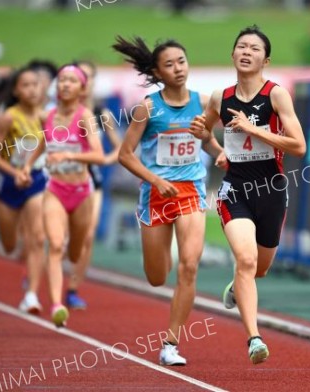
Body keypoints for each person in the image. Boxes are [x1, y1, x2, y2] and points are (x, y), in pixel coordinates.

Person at [190, 25, 306, 365]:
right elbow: (204, 132)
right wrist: (216, 149)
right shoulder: (220, 97)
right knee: (246, 260)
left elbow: (298, 145)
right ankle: (254, 338)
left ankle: (237, 287)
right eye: (241, 46)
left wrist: (254, 128)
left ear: (265, 60)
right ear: (232, 55)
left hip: (271, 189)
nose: (246, 52)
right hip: (235, 190)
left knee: (260, 268)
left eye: (254, 48)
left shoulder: (276, 95)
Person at [113, 36, 225, 366]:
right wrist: (156, 180)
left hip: (190, 191)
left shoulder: (205, 104)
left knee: (189, 267)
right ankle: (163, 264)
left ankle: (171, 344)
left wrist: (218, 152)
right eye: (170, 64)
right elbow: (125, 155)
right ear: (158, 72)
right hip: (156, 196)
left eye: (182, 61)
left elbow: (208, 143)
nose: (178, 68)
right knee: (157, 276)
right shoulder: (147, 108)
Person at [24, 64, 105, 327]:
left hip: (82, 192)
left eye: (72, 81)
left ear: (82, 88)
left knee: (74, 251)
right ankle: (57, 305)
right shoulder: (46, 116)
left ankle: (71, 271)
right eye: (61, 80)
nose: (65, 85)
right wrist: (26, 166)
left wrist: (68, 154)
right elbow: (40, 145)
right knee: (56, 245)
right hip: (55, 189)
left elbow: (98, 156)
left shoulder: (85, 117)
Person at [0, 67, 47, 312]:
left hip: (35, 180)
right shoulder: (9, 117)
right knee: (10, 245)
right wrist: (15, 173)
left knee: (38, 238)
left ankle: (31, 294)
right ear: (16, 91)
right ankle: (17, 240)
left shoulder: (47, 117)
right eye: (26, 85)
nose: (32, 89)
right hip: (8, 181)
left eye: (35, 84)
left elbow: (50, 148)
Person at [62, 60, 122, 310]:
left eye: (90, 77)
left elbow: (120, 148)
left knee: (86, 235)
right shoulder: (58, 113)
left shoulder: (102, 114)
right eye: (80, 77)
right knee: (60, 237)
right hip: (60, 179)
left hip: (91, 179)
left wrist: (105, 159)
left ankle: (73, 289)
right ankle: (37, 274)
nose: (85, 83)